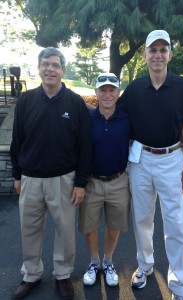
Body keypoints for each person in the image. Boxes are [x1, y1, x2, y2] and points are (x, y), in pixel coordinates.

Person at [118, 30, 183, 300]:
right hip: (141, 160)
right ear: (144, 56)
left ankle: (179, 285)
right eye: (152, 50)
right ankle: (145, 266)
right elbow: (118, 121)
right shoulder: (133, 90)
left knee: (175, 223)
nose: (157, 54)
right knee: (142, 218)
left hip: (172, 159)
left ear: (170, 55)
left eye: (163, 49)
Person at [10, 47, 92, 300]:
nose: (50, 69)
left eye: (55, 65)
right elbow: (17, 140)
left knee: (65, 230)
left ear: (63, 70)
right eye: (46, 64)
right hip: (31, 179)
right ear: (39, 68)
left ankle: (63, 275)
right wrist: (17, 175)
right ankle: (31, 274)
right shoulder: (26, 100)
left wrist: (80, 182)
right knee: (29, 229)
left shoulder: (76, 103)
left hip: (63, 180)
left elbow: (85, 146)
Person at [78, 73, 131, 287]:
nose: (107, 94)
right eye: (103, 90)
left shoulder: (127, 119)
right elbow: (80, 151)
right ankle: (94, 262)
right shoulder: (87, 120)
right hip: (92, 181)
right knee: (89, 225)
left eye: (112, 90)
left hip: (119, 180)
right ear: (96, 93)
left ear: (118, 93)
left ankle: (108, 262)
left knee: (114, 225)